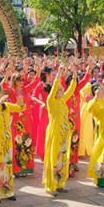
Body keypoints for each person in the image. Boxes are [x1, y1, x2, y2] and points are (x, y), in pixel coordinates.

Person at [0, 83, 25, 204]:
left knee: (6, 164)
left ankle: (7, 191)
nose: (3, 94)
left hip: (6, 139)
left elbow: (20, 108)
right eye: (1, 92)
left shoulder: (6, 106)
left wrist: (21, 102)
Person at [43, 65, 77, 196]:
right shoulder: (51, 100)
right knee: (53, 157)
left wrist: (74, 74)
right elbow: (54, 88)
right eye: (61, 90)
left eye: (63, 90)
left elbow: (72, 88)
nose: (63, 91)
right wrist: (59, 75)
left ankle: (60, 183)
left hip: (64, 134)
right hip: (54, 132)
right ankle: (50, 185)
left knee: (62, 156)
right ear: (55, 91)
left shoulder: (62, 100)